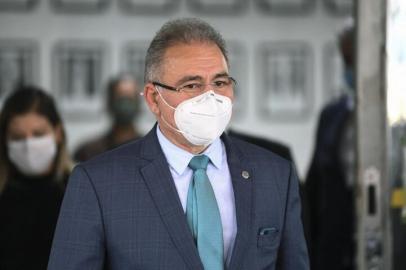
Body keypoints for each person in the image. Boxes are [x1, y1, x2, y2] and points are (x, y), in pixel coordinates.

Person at [48, 18, 309, 270]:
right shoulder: (98, 183)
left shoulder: (275, 174)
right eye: (192, 85)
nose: (210, 96)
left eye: (220, 82)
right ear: (153, 99)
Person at [0, 86, 72, 270]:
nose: (28, 144)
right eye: (17, 137)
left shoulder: (82, 190)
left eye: (38, 134)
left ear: (57, 133)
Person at [305, 24, 356, 270]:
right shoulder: (332, 114)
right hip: (332, 249)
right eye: (346, 60)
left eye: (353, 59)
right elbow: (315, 185)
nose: (350, 68)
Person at [73, 73, 141, 162]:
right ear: (109, 102)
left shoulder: (151, 150)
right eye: (121, 99)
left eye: (130, 99)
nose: (125, 104)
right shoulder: (88, 152)